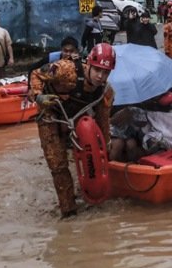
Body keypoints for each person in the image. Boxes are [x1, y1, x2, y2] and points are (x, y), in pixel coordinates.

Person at [29, 42, 116, 218]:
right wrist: (39, 96)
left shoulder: (104, 92)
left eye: (106, 72)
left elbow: (103, 121)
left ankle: (87, 193)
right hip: (51, 115)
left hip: (76, 119)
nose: (101, 76)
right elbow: (36, 74)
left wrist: (105, 147)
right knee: (58, 164)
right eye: (97, 70)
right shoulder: (65, 69)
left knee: (88, 154)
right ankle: (68, 211)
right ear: (89, 64)